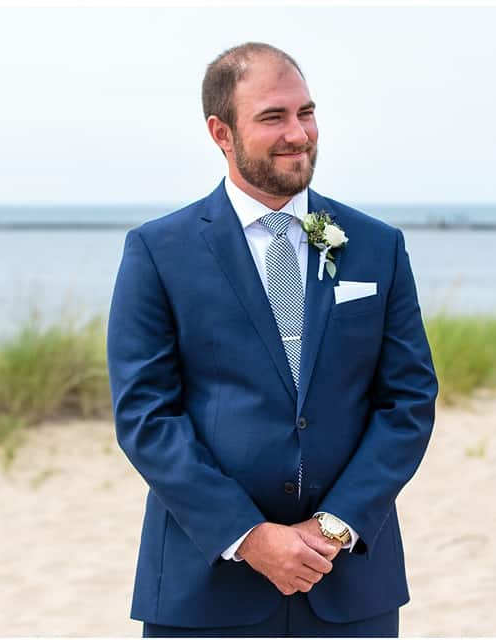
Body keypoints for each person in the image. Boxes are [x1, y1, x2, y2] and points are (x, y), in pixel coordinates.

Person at [106, 42, 437, 637]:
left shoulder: (377, 245)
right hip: (205, 586)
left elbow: (408, 402)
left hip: (349, 582)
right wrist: (250, 536)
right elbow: (146, 415)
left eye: (305, 113)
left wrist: (335, 526)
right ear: (221, 132)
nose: (299, 134)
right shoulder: (159, 251)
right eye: (273, 117)